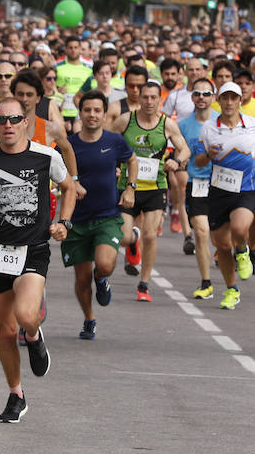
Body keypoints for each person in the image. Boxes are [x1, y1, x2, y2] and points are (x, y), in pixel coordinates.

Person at [0, 97, 75, 423]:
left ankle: (35, 336)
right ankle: (16, 394)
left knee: (26, 315)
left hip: (33, 250)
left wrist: (63, 222)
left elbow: (68, 188)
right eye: (2, 120)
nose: (8, 125)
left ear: (26, 121)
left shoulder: (46, 156)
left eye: (14, 119)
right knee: (6, 332)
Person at [62, 91, 137, 340]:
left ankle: (102, 278)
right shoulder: (69, 144)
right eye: (87, 110)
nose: (92, 115)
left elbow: (132, 160)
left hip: (107, 216)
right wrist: (72, 184)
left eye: (97, 111)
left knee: (104, 264)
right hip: (77, 219)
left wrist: (130, 187)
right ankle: (89, 319)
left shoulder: (115, 140)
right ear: (80, 113)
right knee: (82, 280)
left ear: (104, 114)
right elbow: (55, 173)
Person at [108, 81, 190, 301]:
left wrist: (177, 161)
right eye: (145, 97)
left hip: (156, 187)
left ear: (160, 99)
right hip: (127, 188)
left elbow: (184, 149)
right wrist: (113, 164)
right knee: (125, 237)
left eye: (154, 97)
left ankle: (143, 285)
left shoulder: (167, 125)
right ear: (139, 97)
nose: (149, 102)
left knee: (151, 235)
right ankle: (133, 241)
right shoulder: (126, 121)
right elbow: (105, 142)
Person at [195, 81, 255, 309]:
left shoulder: (251, 125)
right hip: (219, 190)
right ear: (218, 101)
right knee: (220, 245)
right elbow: (198, 161)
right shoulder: (209, 128)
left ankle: (242, 250)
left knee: (240, 229)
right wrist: (209, 155)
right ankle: (232, 289)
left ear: (240, 101)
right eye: (225, 98)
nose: (229, 102)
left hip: (247, 189)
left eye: (234, 98)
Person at [178, 78, 218, 300]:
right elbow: (180, 153)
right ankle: (206, 282)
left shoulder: (221, 121)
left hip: (224, 182)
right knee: (201, 232)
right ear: (191, 97)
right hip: (197, 183)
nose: (201, 98)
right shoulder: (183, 125)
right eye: (197, 94)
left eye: (206, 93)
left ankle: (237, 253)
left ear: (213, 97)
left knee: (223, 236)